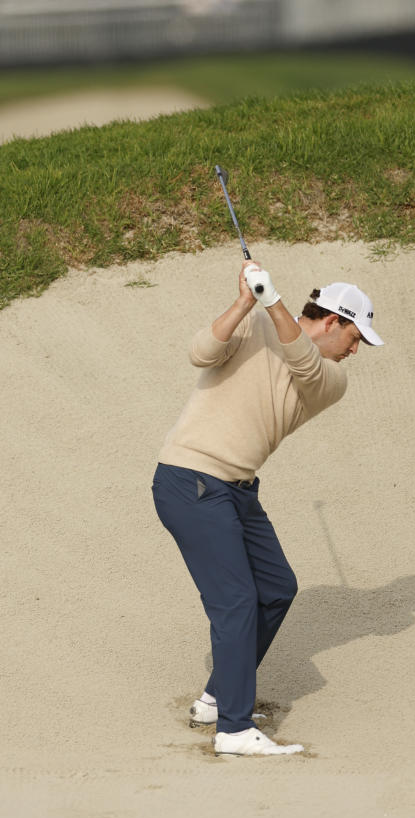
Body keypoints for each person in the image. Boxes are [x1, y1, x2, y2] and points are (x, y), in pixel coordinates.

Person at [152, 260, 383, 757]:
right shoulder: (255, 322)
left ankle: (218, 698)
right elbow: (199, 353)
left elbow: (301, 360)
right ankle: (234, 730)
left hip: (236, 490)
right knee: (235, 602)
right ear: (332, 320)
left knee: (277, 588)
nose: (356, 348)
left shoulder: (330, 379)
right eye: (355, 334)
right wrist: (244, 303)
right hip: (190, 478)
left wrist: (272, 298)